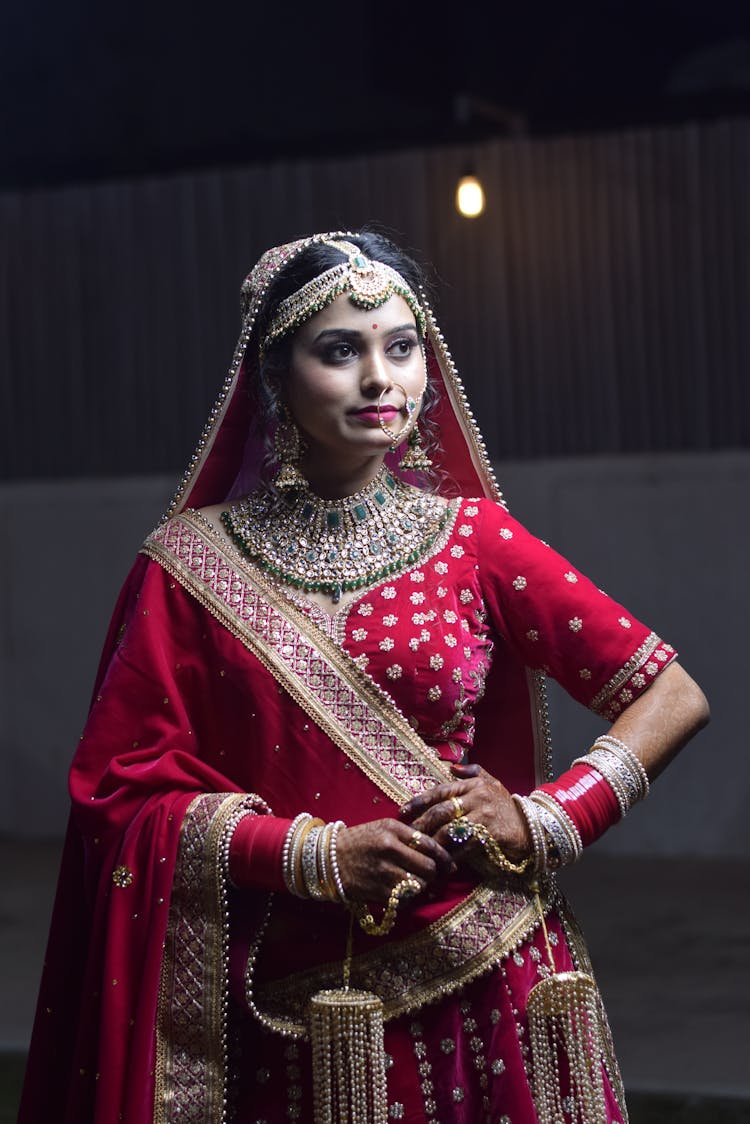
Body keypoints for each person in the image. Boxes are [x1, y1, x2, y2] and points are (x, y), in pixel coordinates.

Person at [18, 230, 709, 1124]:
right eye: (340, 350)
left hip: (483, 982)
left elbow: (672, 694)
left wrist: (551, 818)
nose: (381, 379)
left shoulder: (475, 540)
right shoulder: (187, 568)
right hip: (281, 1008)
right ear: (275, 375)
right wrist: (313, 855)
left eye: (402, 346)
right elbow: (118, 793)